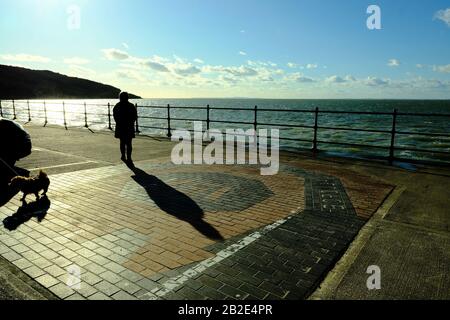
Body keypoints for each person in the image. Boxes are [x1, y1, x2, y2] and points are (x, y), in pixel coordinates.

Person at [113, 92, 137, 163]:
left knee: (122, 142)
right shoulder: (131, 106)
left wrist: (118, 122)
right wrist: (131, 122)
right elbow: (135, 116)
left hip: (120, 126)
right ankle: (129, 157)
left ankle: (123, 155)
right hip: (129, 126)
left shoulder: (117, 106)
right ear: (127, 97)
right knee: (129, 143)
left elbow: (115, 116)